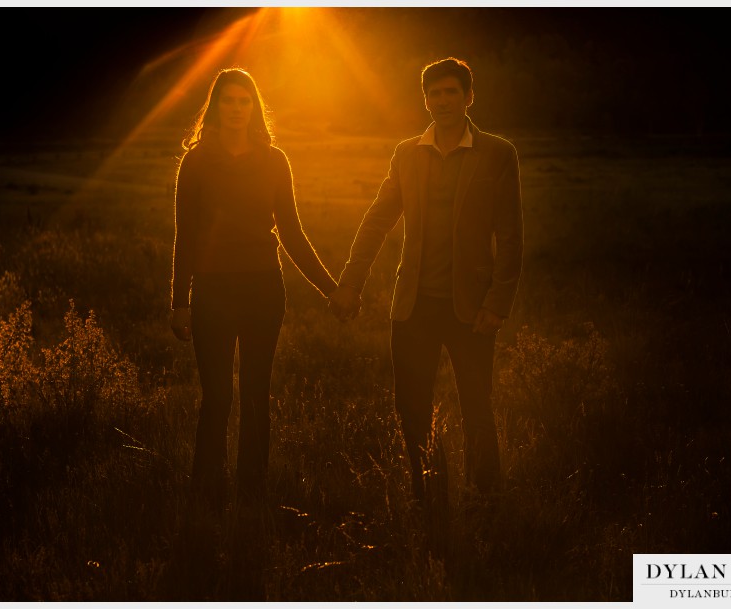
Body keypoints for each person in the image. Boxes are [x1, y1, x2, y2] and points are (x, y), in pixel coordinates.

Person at [329, 57, 523, 508]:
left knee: (477, 405)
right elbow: (378, 220)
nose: (442, 101)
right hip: (413, 305)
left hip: (472, 308)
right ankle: (424, 493)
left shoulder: (498, 152)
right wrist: (351, 282)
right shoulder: (406, 153)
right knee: (411, 408)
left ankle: (487, 496)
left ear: (469, 97)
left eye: (451, 92)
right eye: (434, 93)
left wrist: (497, 302)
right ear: (425, 100)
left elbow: (511, 235)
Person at [170, 68, 338, 502]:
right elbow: (184, 235)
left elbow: (293, 234)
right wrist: (179, 302)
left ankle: (252, 492)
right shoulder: (196, 161)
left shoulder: (274, 161)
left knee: (256, 394)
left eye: (245, 101)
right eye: (229, 100)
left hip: (264, 290)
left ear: (255, 108)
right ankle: (207, 492)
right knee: (218, 397)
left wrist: (331, 289)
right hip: (211, 292)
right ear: (216, 106)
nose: (237, 109)